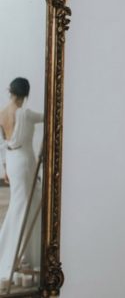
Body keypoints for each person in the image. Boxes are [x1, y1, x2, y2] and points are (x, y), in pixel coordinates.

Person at [0, 77, 43, 281]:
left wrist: (5, 167)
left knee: (20, 205)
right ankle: (18, 255)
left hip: (12, 159)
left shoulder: (2, 112)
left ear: (11, 92)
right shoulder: (24, 113)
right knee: (25, 205)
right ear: (25, 94)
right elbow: (49, 116)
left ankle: (17, 253)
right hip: (25, 161)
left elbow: (3, 143)